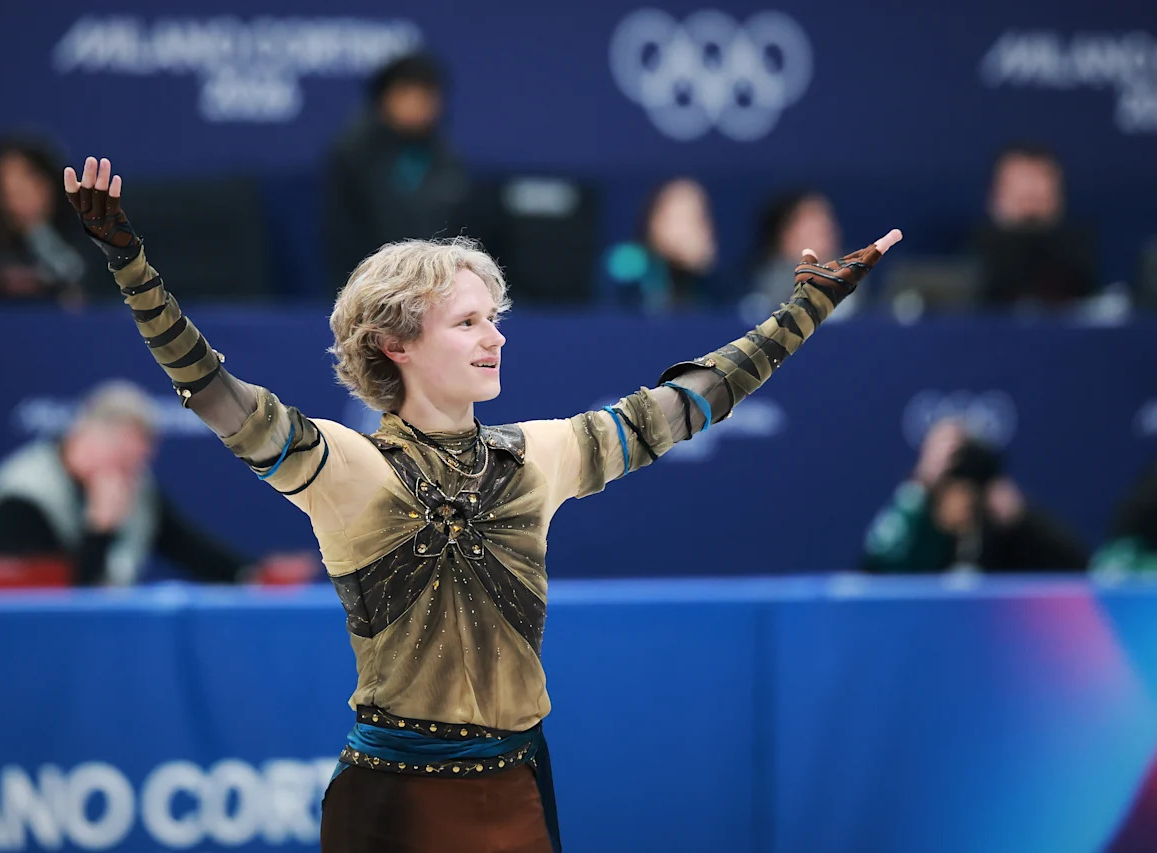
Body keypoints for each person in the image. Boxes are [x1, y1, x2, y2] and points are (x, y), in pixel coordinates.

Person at [63, 154, 900, 853]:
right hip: (397, 801)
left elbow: (681, 408)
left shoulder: (534, 457)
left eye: (494, 317)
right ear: (396, 341)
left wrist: (805, 309)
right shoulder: (353, 469)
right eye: (467, 321)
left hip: (519, 790)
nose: (495, 335)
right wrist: (130, 263)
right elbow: (212, 390)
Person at [0, 379, 314, 586]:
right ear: (87, 438)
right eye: (125, 457)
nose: (134, 470)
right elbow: (55, 601)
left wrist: (253, 576)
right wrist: (99, 530)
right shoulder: (23, 496)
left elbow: (183, 545)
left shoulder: (134, 483)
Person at [322, 52, 471, 293]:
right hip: (370, 286)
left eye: (426, 97)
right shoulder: (354, 155)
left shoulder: (447, 159)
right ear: (384, 98)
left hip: (437, 287)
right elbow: (344, 235)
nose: (418, 106)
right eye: (408, 94)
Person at [863, 424, 1087, 573]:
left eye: (970, 493)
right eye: (952, 491)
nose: (962, 503)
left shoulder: (997, 531)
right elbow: (875, 564)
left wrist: (1022, 517)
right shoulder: (919, 528)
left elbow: (1078, 566)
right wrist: (917, 487)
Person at [0, 133, 111, 304]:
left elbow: (80, 275)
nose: (14, 200)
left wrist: (36, 230)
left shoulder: (88, 229)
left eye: (24, 187)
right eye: (6, 191)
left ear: (49, 184)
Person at [972, 142, 1097, 307]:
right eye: (1021, 199)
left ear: (1059, 199)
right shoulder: (973, 258)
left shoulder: (1080, 254)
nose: (1030, 208)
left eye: (1039, 199)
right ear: (994, 198)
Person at [602, 177, 720, 311]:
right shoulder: (628, 261)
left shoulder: (709, 284)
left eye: (699, 218)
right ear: (654, 221)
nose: (689, 230)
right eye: (681, 218)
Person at [745, 189, 859, 319]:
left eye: (828, 218)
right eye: (813, 217)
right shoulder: (764, 286)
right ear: (785, 234)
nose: (827, 226)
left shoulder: (854, 278)